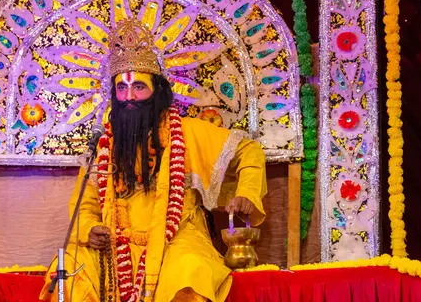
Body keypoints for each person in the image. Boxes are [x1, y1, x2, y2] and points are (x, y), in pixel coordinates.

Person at [41, 19, 266, 302]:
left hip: (177, 237)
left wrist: (246, 192)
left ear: (157, 90)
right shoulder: (104, 146)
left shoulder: (186, 131)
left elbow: (249, 150)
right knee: (69, 270)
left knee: (190, 272)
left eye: (139, 87)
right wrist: (89, 230)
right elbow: (83, 207)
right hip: (115, 244)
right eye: (122, 89)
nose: (129, 96)